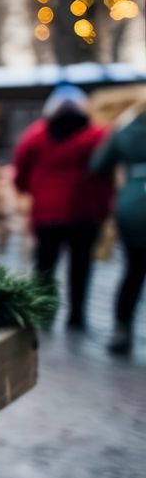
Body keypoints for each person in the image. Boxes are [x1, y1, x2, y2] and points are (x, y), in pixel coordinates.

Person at [13, 84, 113, 330]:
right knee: (81, 265)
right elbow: (105, 172)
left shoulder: (36, 135)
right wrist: (104, 207)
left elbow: (21, 168)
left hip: (46, 213)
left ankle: (43, 311)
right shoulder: (95, 136)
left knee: (45, 264)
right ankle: (76, 315)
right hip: (84, 212)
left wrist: (26, 190)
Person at [91, 100, 146, 355]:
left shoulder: (125, 130)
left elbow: (98, 164)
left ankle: (122, 329)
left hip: (132, 206)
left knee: (133, 271)